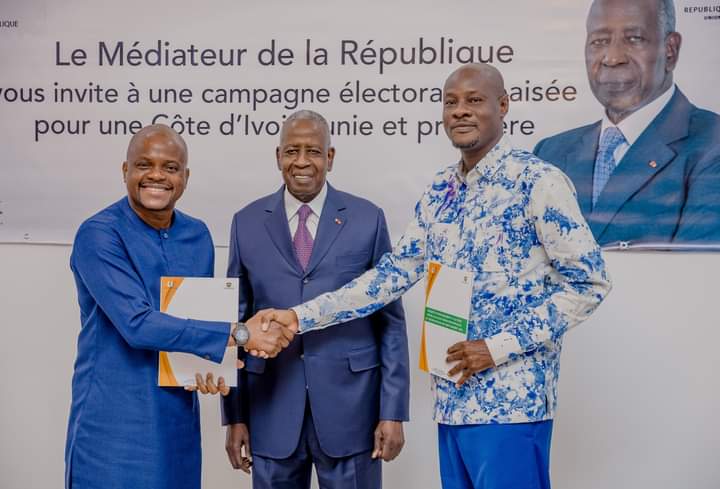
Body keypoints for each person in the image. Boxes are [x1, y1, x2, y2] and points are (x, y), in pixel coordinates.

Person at [258, 64, 612, 489]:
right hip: (451, 403)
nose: (460, 111)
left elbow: (589, 283)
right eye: (451, 102)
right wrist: (299, 317)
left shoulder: (538, 182)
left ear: (503, 106)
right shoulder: (442, 189)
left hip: (510, 408)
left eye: (474, 100)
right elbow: (390, 276)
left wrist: (496, 348)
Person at [65, 124, 292, 489]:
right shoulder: (99, 234)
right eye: (144, 165)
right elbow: (137, 324)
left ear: (185, 177)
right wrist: (242, 333)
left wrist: (210, 370)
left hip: (176, 420)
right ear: (126, 171)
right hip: (113, 424)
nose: (157, 175)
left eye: (170, 168)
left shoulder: (197, 235)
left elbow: (198, 323)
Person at [221, 110, 410, 489]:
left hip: (352, 413)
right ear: (278, 156)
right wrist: (234, 416)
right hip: (271, 409)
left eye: (313, 151)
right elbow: (235, 323)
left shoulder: (367, 218)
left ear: (331, 156)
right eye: (292, 151)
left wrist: (393, 412)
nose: (302, 162)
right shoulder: (246, 222)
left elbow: (390, 322)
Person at [534, 0, 720, 246]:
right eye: (599, 41)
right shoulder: (550, 153)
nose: (612, 58)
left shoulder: (712, 143)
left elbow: (694, 274)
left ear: (670, 50)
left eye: (634, 39)